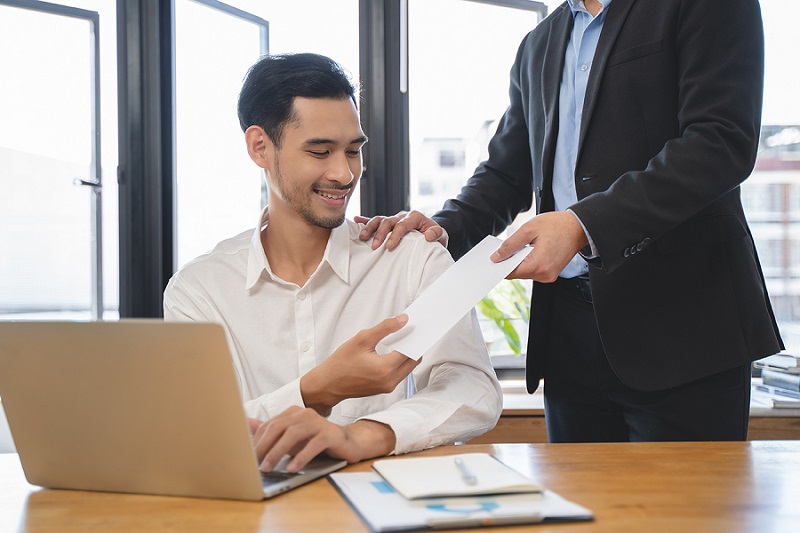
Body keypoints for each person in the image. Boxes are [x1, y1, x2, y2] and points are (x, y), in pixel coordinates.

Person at [358, 0, 783, 442]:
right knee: (576, 507)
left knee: (689, 509)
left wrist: (583, 223)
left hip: (682, 328)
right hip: (567, 337)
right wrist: (441, 227)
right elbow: (506, 174)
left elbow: (718, 141)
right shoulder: (538, 44)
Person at [164, 53, 501, 472]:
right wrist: (318, 388)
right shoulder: (198, 291)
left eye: (353, 150)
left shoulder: (411, 258)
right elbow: (201, 431)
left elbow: (472, 387)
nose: (344, 174)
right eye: (320, 151)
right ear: (260, 147)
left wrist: (360, 435)